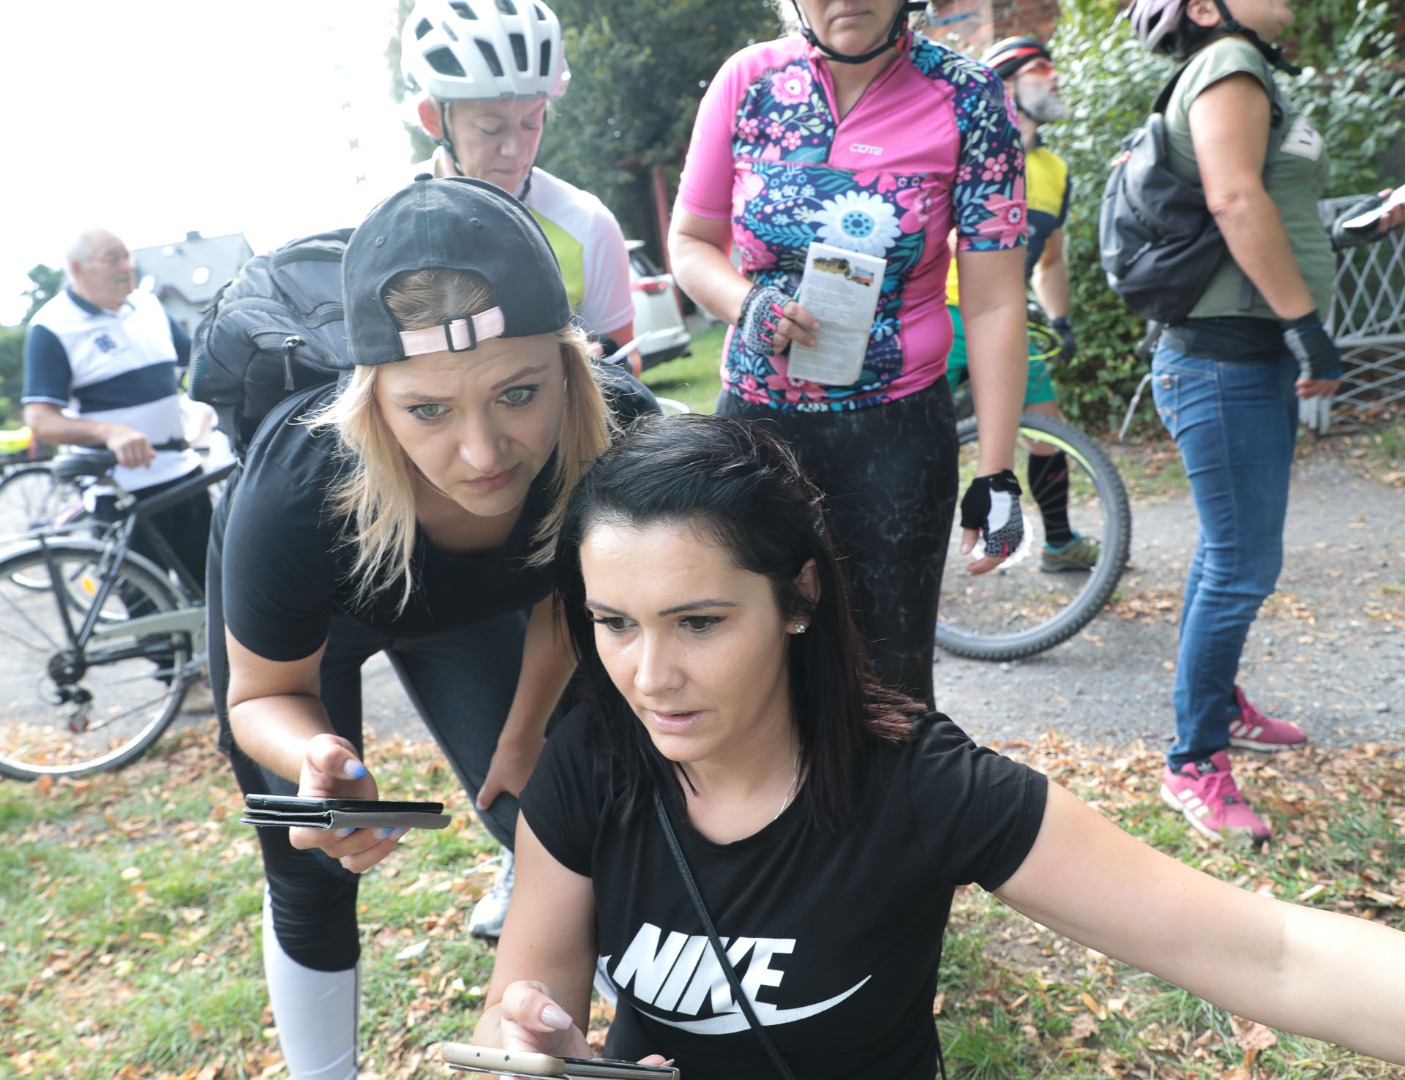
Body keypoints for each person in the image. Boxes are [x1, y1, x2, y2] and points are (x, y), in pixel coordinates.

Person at [473, 412, 1405, 1078]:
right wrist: (543, 1055)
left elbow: (1270, 953)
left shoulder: (917, 784)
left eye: (699, 623)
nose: (648, 677)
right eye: (615, 624)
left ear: (797, 597)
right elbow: (523, 1005)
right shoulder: (593, 759)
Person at [209, 176, 656, 1080]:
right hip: (322, 623)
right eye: (428, 411)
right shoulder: (297, 488)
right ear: (371, 399)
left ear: (570, 365)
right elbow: (263, 692)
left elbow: (569, 594)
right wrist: (310, 765)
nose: (483, 453)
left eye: (520, 394)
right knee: (312, 861)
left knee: (553, 816)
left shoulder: (617, 430)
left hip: (478, 613)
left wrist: (527, 731)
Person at [668, 0, 1030, 709]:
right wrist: (748, 303)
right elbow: (689, 242)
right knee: (751, 674)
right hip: (757, 430)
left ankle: (889, 819)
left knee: (888, 685)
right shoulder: (747, 81)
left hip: (894, 436)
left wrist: (997, 472)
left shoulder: (967, 95)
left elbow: (993, 301)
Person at [1124, 0, 1405, 847]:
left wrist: (1361, 224)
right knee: (1242, 564)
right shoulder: (1229, 65)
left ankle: (1216, 706)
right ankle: (1192, 761)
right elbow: (1233, 197)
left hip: (1241, 355)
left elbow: (1273, 212)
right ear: (1205, 8)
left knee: (1226, 554)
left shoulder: (1247, 74)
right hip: (1224, 361)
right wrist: (1307, 325)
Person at [22, 228, 215, 711]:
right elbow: (41, 419)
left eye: (128, 257)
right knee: (142, 590)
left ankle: (222, 668)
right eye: (113, 259)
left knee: (213, 578)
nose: (127, 266)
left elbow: (198, 364)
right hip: (121, 485)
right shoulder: (52, 327)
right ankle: (179, 684)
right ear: (79, 270)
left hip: (182, 470)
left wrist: (202, 405)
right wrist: (108, 433)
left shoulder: (148, 307)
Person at [401, 0, 638, 373]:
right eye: (490, 128)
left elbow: (626, 364)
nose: (515, 149)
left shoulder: (588, 225)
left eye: (532, 122)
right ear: (433, 119)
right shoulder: (381, 227)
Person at [942, 35, 1100, 573]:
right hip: (938, 312)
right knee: (914, 436)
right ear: (1004, 83)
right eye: (1039, 68)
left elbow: (1050, 261)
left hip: (1009, 316)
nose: (1055, 77)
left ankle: (1058, 542)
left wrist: (1060, 318)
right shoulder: (958, 144)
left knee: (1045, 432)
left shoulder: (1055, 172)